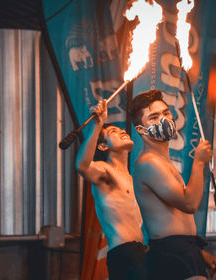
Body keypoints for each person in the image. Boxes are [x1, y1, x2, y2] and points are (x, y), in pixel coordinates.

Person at [129, 89, 216, 280]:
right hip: (172, 252)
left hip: (185, 249)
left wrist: (198, 253)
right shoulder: (149, 163)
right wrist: (199, 162)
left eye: (165, 112)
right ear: (140, 129)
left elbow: (177, 217)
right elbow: (189, 204)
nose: (163, 119)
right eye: (154, 117)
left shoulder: (162, 161)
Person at [76, 100, 147, 280]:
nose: (123, 131)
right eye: (114, 132)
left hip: (143, 251)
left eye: (122, 129)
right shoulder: (105, 171)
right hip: (125, 253)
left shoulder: (133, 179)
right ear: (103, 145)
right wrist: (98, 125)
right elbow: (82, 166)